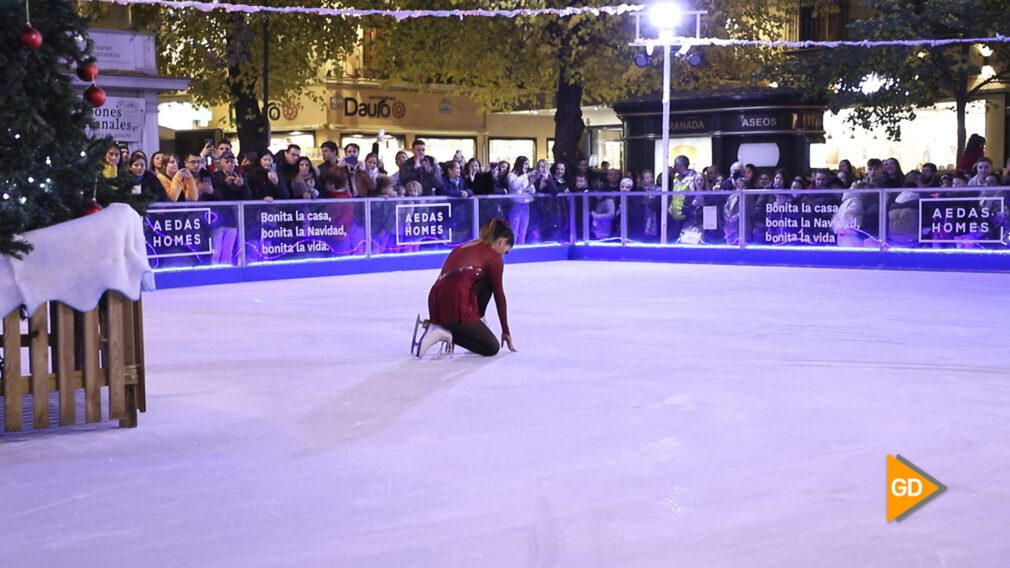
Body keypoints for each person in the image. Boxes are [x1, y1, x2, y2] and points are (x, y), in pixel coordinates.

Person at [413, 218, 517, 358]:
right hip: (455, 303)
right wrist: (506, 331)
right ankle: (442, 332)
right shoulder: (494, 258)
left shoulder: (467, 245)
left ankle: (445, 325)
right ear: (501, 241)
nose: (503, 255)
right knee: (491, 347)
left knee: (486, 279)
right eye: (505, 251)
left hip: (435, 300)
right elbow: (499, 295)